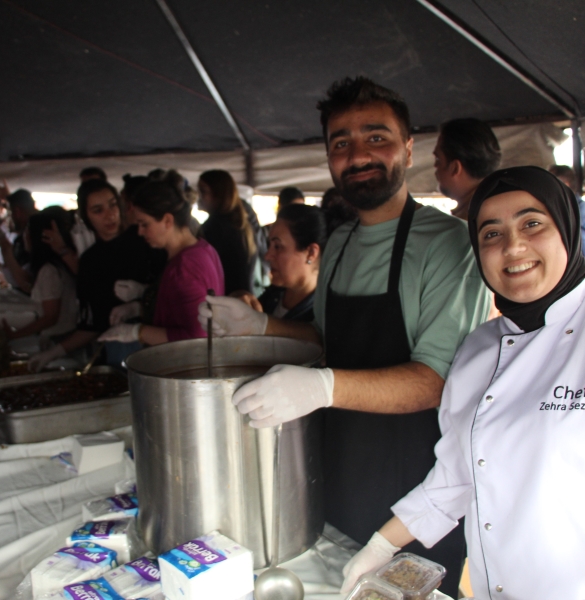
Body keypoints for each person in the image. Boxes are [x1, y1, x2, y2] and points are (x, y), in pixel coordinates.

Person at [340, 166, 585, 599]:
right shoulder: (477, 352)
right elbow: (456, 475)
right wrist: (380, 546)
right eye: (491, 233)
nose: (513, 246)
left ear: (566, 228)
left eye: (532, 223)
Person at [200, 77, 489, 596]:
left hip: (415, 488)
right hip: (336, 469)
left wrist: (322, 388)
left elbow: (435, 381)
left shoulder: (448, 245)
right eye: (340, 142)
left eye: (376, 137)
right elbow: (327, 342)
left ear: (407, 147)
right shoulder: (339, 243)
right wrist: (263, 326)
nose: (357, 154)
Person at [28, 179, 164, 370]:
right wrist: (55, 351)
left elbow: (175, 288)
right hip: (121, 349)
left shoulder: (144, 238)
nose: (110, 215)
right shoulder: (91, 262)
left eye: (113, 205)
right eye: (98, 210)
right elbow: (92, 325)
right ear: (86, 216)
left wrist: (144, 297)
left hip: (162, 340)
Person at [100, 180, 223, 345]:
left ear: (167, 220)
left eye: (145, 224)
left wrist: (138, 332)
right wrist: (141, 307)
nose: (140, 232)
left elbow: (196, 337)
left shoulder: (185, 266)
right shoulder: (204, 248)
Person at [233, 203, 327, 322]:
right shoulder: (274, 294)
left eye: (277, 246)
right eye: (269, 245)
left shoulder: (323, 314)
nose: (268, 256)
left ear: (311, 253)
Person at [4, 207, 79, 342]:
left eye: (27, 231)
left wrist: (15, 334)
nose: (24, 237)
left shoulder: (48, 271)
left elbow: (50, 317)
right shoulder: (55, 266)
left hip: (59, 338)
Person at [198, 169, 256, 294]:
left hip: (225, 298)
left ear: (218, 194)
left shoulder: (216, 228)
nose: (200, 197)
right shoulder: (240, 223)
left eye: (203, 192)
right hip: (239, 295)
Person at [433, 118, 501, 221]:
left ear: (455, 168)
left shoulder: (465, 225)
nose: (435, 166)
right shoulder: (504, 206)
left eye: (438, 159)